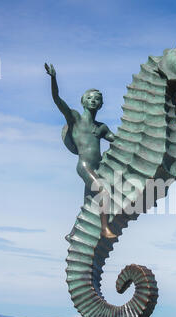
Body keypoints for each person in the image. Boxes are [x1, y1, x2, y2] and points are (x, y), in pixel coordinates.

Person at [45, 63, 117, 239]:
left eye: (97, 99)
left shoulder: (101, 128)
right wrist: (53, 79)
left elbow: (118, 141)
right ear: (83, 101)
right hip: (84, 166)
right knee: (103, 192)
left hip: (97, 167)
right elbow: (57, 99)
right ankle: (104, 229)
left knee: (88, 204)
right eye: (90, 98)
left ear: (101, 105)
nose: (93, 100)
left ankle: (72, 234)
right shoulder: (75, 119)